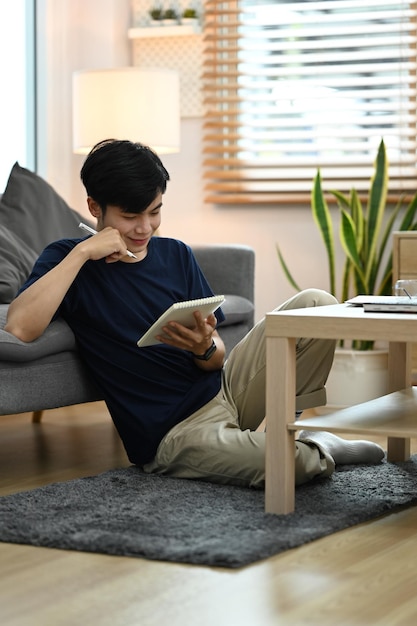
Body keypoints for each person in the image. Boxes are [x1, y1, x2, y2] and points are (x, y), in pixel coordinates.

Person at [5, 139, 384, 489]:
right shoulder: (67, 259)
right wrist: (83, 252)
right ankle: (315, 447)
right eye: (130, 216)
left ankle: (294, 430)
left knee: (316, 304)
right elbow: (20, 327)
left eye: (154, 213)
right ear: (94, 208)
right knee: (293, 465)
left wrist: (205, 348)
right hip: (172, 434)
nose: (144, 228)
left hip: (225, 392)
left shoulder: (176, 254)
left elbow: (215, 356)